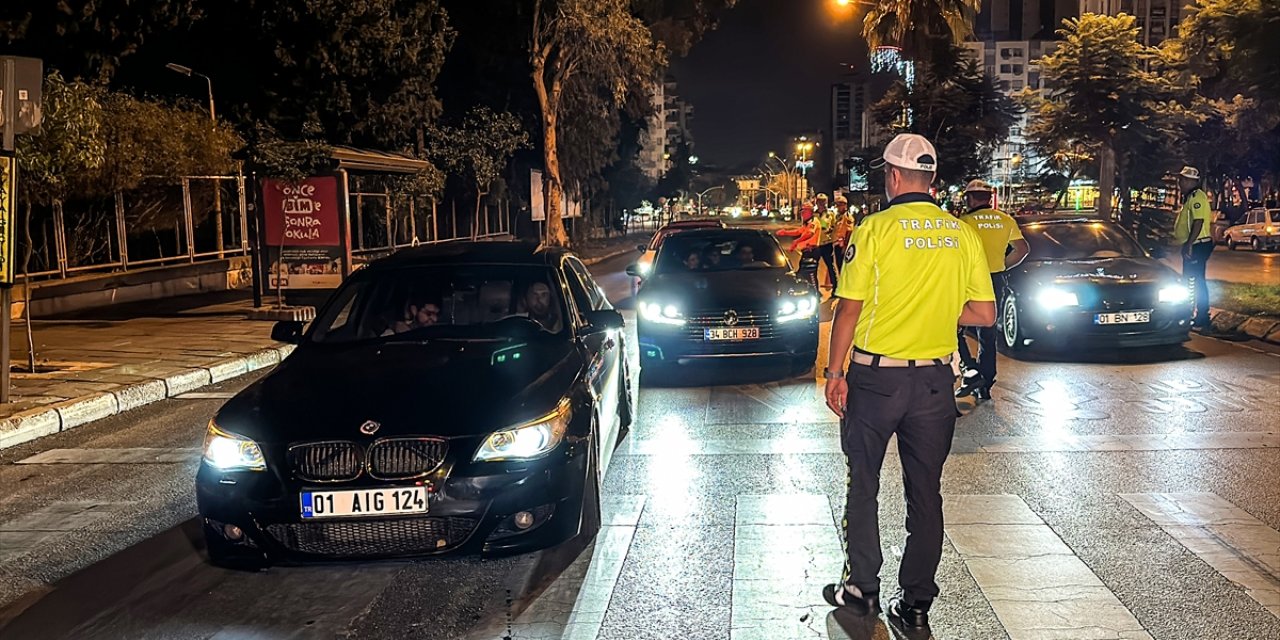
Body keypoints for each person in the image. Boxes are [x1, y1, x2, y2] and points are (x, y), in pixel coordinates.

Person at [820, 134, 996, 629]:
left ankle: (863, 589)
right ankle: (916, 604)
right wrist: (938, 312)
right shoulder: (961, 234)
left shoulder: (874, 229)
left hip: (876, 381)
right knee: (926, 492)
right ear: (932, 180)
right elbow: (983, 312)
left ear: (893, 177)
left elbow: (849, 308)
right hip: (937, 382)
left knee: (865, 484)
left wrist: (835, 374)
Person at [954, 179, 1029, 400]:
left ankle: (970, 368)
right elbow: (1022, 249)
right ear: (989, 198)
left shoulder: (964, 222)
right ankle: (985, 382)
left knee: (954, 326)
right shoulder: (1006, 220)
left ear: (969, 198)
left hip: (969, 281)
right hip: (995, 279)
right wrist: (1002, 265)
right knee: (987, 334)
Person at [1174, 165, 1214, 331]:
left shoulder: (1197, 197)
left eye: (1183, 180)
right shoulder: (1191, 197)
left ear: (1192, 181)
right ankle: (1190, 313)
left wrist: (1189, 244)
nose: (1180, 182)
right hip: (1194, 244)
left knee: (1195, 282)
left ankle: (1201, 316)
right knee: (1191, 280)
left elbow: (1198, 222)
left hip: (1198, 245)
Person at [778, 204, 822, 290]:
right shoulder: (807, 223)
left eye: (804, 212)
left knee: (811, 274)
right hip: (807, 252)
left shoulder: (814, 222)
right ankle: (810, 291)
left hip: (811, 251)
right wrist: (785, 232)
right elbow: (798, 231)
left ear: (809, 212)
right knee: (803, 273)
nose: (802, 214)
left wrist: (796, 241)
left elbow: (810, 234)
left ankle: (816, 292)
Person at [815, 193, 839, 291]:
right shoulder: (813, 215)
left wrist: (834, 240)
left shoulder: (830, 214)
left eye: (823, 201)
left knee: (830, 266)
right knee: (813, 268)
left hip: (826, 244)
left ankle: (835, 288)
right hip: (815, 244)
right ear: (816, 202)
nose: (821, 203)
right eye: (819, 201)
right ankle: (815, 289)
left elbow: (835, 228)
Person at [833, 195, 855, 273]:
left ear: (845, 205)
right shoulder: (838, 216)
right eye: (837, 205)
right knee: (839, 266)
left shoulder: (848, 217)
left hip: (842, 246)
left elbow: (849, 232)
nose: (838, 207)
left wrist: (845, 246)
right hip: (837, 244)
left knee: (843, 267)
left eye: (840, 205)